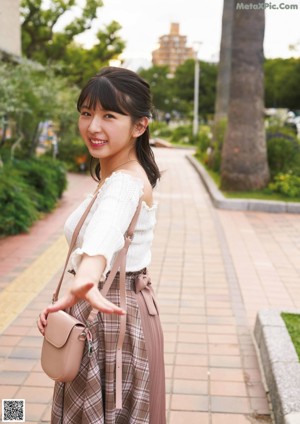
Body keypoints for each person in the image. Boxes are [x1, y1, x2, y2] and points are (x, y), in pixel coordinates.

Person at [37, 66, 166, 424]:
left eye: (109, 115)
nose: (93, 127)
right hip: (115, 305)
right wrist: (79, 289)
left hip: (111, 316)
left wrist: (87, 277)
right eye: (86, 113)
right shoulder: (116, 174)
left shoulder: (123, 184)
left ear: (139, 125)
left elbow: (102, 238)